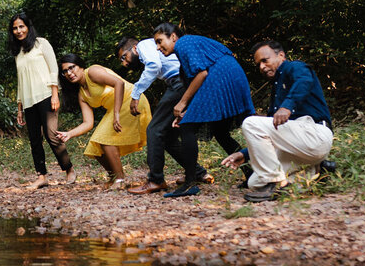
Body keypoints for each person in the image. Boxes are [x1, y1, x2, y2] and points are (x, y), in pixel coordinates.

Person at [221, 40, 333, 202]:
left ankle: (274, 182)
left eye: (265, 60)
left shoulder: (294, 67)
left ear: (281, 55)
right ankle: (318, 172)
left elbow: (304, 80)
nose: (261, 66)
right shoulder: (276, 90)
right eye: (258, 63)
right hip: (297, 148)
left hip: (315, 134)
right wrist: (244, 154)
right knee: (255, 183)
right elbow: (271, 132)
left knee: (250, 123)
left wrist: (287, 106)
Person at [152, 23, 255, 197]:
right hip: (231, 75)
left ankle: (190, 182)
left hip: (222, 76)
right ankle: (251, 175)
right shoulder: (185, 49)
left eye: (160, 41)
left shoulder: (184, 43)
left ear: (173, 37)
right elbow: (197, 82)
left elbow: (202, 74)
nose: (158, 47)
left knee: (187, 127)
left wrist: (182, 104)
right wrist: (186, 111)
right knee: (220, 131)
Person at [54, 54, 152, 189]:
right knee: (95, 147)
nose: (69, 73)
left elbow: (119, 83)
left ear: (81, 66)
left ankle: (120, 179)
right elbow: (88, 123)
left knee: (105, 140)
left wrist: (116, 113)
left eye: (72, 68)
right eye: (65, 71)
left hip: (131, 100)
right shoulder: (81, 94)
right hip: (114, 109)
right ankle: (114, 177)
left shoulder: (92, 72)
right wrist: (70, 134)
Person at [116, 33, 197, 195]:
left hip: (179, 82)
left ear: (134, 48)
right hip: (183, 82)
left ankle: (155, 180)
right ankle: (197, 173)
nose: (124, 63)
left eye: (124, 57)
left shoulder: (144, 46)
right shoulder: (151, 48)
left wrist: (136, 94)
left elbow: (153, 65)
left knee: (154, 129)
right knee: (168, 137)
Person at [8, 12, 75, 189]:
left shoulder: (41, 43)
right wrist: (20, 107)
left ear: (28, 27)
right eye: (15, 28)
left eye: (21, 26)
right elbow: (20, 81)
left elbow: (53, 68)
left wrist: (55, 94)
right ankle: (41, 176)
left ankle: (68, 169)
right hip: (28, 101)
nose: (18, 30)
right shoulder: (18, 53)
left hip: (46, 95)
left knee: (51, 135)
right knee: (34, 139)